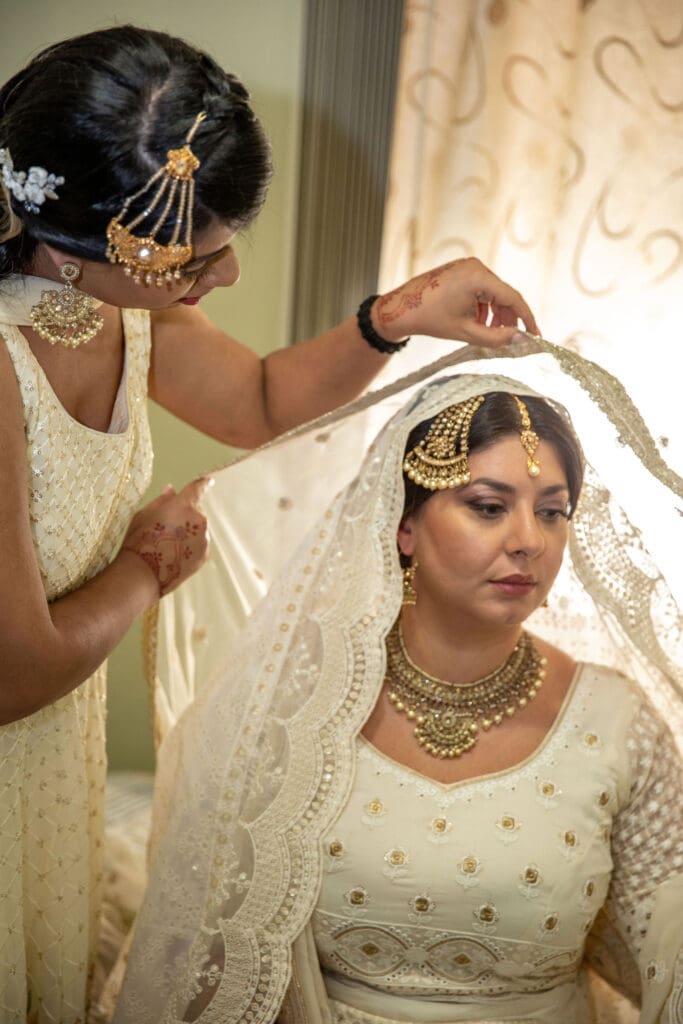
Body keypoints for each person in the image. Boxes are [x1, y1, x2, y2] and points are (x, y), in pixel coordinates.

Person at [0, 21, 540, 1023]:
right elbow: (13, 672)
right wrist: (144, 567)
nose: (228, 277)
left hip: (46, 758)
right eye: (192, 261)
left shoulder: (116, 305)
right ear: (77, 250)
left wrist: (397, 315)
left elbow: (254, 399)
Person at [113, 343, 683, 1023]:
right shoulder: (283, 712)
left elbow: (666, 951)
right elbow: (208, 960)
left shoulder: (615, 722)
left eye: (552, 511)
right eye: (486, 505)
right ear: (403, 523)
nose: (529, 539)